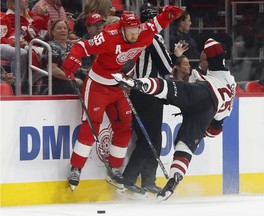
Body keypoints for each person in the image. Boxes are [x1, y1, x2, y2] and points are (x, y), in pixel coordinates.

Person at [60, 5, 183, 191]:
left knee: (124, 127)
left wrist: (168, 14)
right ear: (121, 28)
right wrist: (73, 59)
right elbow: (82, 46)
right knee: (91, 126)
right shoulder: (109, 36)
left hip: (119, 85)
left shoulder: (144, 31)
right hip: (98, 86)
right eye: (130, 31)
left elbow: (158, 23)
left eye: (136, 29)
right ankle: (76, 167)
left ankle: (115, 169)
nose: (134, 34)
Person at [112, 38, 236, 200]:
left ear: (209, 59)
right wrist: (203, 133)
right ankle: (174, 177)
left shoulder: (208, 76)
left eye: (202, 58)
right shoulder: (231, 83)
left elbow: (193, 79)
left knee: (170, 89)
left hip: (205, 93)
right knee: (186, 145)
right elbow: (215, 130)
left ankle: (136, 83)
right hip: (209, 110)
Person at [121, 7, 188, 194]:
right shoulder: (152, 37)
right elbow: (166, 67)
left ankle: (143, 179)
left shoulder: (134, 37)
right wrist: (174, 57)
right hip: (150, 92)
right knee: (152, 139)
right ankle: (134, 178)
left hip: (136, 91)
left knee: (146, 138)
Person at [40, 19, 82, 94]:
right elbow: (53, 69)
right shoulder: (50, 46)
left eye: (65, 28)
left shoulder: (71, 46)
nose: (63, 30)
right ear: (52, 32)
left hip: (71, 79)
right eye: (59, 28)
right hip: (52, 84)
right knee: (73, 84)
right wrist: (71, 79)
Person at [79, 13, 106, 80]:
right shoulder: (83, 44)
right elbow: (86, 68)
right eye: (95, 25)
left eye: (100, 24)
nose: (98, 27)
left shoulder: (108, 41)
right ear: (88, 28)